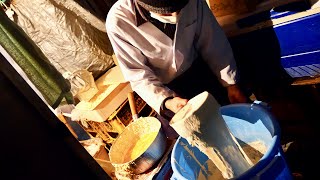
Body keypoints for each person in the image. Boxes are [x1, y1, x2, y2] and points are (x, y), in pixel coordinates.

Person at [106, 0, 249, 121]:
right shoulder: (118, 22)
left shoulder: (192, 2)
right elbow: (138, 75)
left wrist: (231, 84)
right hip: (169, 89)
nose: (175, 15)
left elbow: (212, 41)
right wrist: (167, 101)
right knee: (199, 133)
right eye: (166, 12)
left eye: (179, 9)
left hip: (200, 68)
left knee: (232, 116)